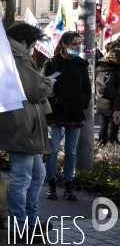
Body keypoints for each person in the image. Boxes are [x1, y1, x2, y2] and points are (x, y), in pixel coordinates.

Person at [0, 22, 55, 237]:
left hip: (21, 123)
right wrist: (48, 83)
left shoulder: (6, 54)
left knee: (36, 174)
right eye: (32, 45)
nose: (32, 50)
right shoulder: (17, 57)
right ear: (23, 42)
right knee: (22, 177)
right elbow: (35, 91)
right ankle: (19, 227)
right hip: (21, 124)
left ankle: (29, 221)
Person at [41, 31, 90, 202]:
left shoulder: (81, 64)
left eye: (79, 44)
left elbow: (87, 89)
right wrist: (55, 102)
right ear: (64, 44)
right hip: (55, 114)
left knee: (71, 151)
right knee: (52, 151)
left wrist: (82, 102)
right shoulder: (52, 63)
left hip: (75, 113)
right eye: (75, 44)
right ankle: (52, 185)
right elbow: (44, 87)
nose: (78, 47)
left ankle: (69, 185)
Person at [95, 48, 120, 146]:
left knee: (103, 125)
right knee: (112, 126)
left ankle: (101, 144)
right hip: (113, 100)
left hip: (100, 100)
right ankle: (111, 146)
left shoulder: (99, 67)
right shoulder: (118, 70)